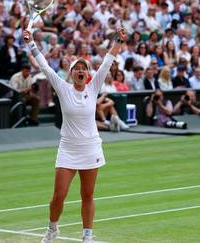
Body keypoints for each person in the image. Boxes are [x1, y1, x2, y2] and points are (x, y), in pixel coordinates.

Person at [22, 26, 126, 243]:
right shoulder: (62, 88)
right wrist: (31, 43)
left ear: (87, 74)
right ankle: (52, 229)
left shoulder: (94, 86)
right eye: (77, 68)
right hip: (68, 148)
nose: (81, 71)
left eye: (84, 68)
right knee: (58, 196)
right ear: (71, 73)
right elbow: (44, 66)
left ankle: (87, 236)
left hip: (90, 148)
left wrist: (118, 40)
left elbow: (107, 61)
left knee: (87, 195)